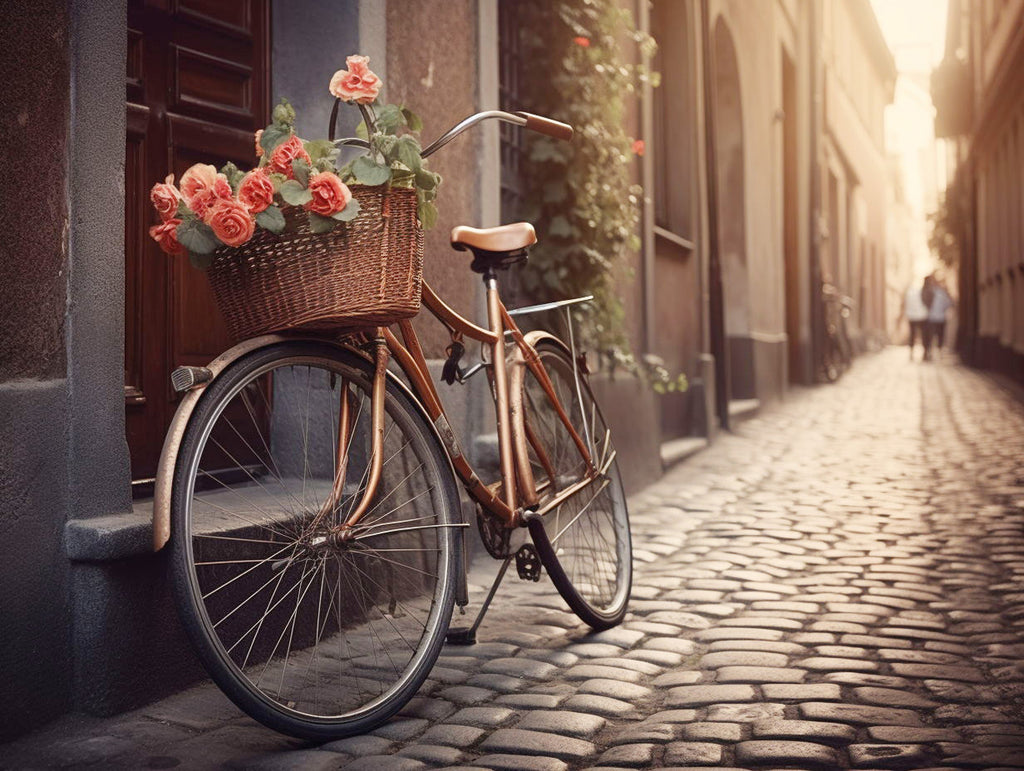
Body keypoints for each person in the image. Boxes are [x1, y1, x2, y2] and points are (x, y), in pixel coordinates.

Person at [927, 274, 954, 356]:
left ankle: (930, 351)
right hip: (941, 317)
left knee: (931, 335)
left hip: (931, 317)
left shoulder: (930, 292)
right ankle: (939, 351)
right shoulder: (943, 293)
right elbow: (948, 304)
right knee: (940, 335)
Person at [902, 281, 929, 361]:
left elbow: (905, 304)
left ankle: (911, 353)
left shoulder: (908, 293)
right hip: (922, 316)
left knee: (912, 335)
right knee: (924, 335)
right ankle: (925, 353)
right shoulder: (921, 292)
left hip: (912, 316)